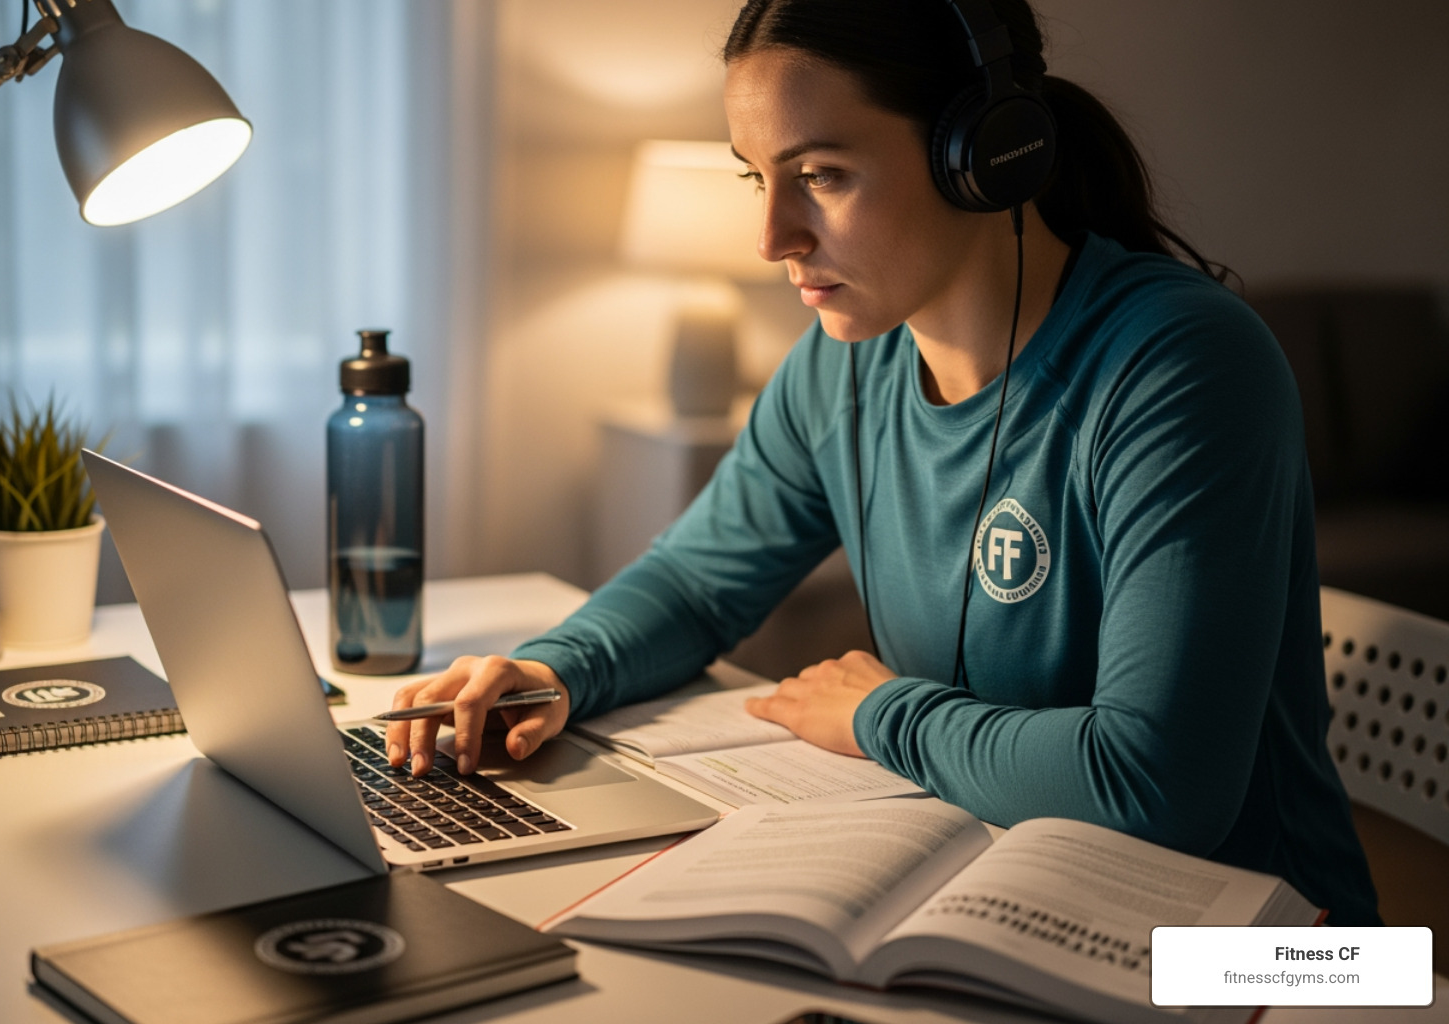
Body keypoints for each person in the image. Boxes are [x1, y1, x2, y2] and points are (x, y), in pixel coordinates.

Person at [387, 0, 1380, 925]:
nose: (772, 235)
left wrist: (878, 713)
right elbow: (697, 583)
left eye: (821, 174)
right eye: (755, 175)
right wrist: (555, 670)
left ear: (984, 157)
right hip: (1020, 901)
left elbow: (1152, 786)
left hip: (1281, 950)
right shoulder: (842, 366)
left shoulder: (1181, 366)